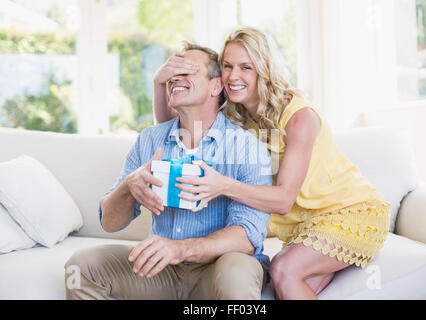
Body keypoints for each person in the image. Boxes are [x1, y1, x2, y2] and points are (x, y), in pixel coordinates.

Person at [153, 27, 390, 300]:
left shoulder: (299, 117)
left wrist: (223, 185)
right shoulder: (233, 111)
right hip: (307, 226)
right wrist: (160, 83)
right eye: (227, 66)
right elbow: (170, 124)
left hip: (352, 213)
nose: (233, 76)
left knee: (283, 270)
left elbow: (284, 200)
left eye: (246, 67)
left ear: (263, 70)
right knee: (282, 291)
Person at [64, 42, 273, 300]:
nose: (176, 78)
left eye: (187, 72)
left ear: (216, 86)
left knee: (236, 270)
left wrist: (181, 249)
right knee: (81, 266)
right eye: (174, 72)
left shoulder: (246, 146)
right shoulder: (150, 140)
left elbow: (247, 236)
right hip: (162, 271)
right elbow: (109, 221)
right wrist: (128, 187)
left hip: (217, 269)